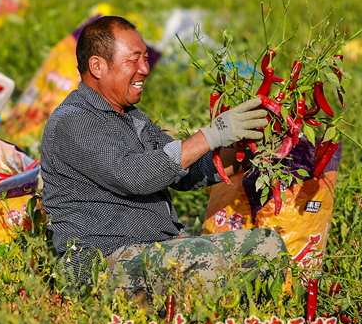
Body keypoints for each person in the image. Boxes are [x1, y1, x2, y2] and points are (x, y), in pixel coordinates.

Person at [40, 15, 288, 300]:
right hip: (103, 264)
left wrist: (251, 150)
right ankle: (193, 323)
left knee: (266, 247)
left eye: (146, 59)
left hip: (155, 249)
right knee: (204, 259)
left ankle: (243, 321)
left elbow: (188, 171)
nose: (145, 69)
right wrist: (210, 135)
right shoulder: (74, 121)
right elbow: (134, 175)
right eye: (134, 60)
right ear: (97, 66)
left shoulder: (131, 117)